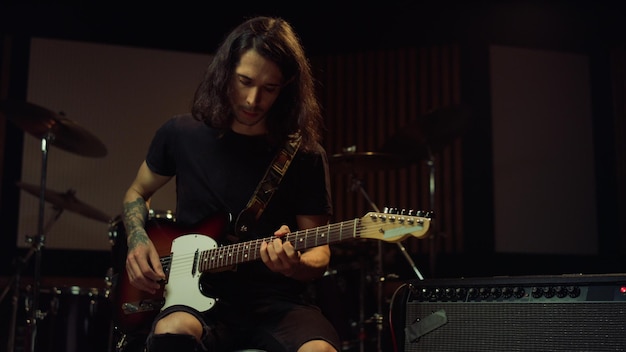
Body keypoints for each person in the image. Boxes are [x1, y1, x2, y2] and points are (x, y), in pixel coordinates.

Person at [120, 16, 341, 352]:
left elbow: (319, 251)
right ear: (225, 73)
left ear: (287, 88)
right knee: (172, 331)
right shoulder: (179, 133)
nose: (253, 100)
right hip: (193, 295)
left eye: (269, 88)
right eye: (244, 81)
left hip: (276, 302)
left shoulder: (305, 154)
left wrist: (296, 265)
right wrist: (137, 240)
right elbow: (137, 192)